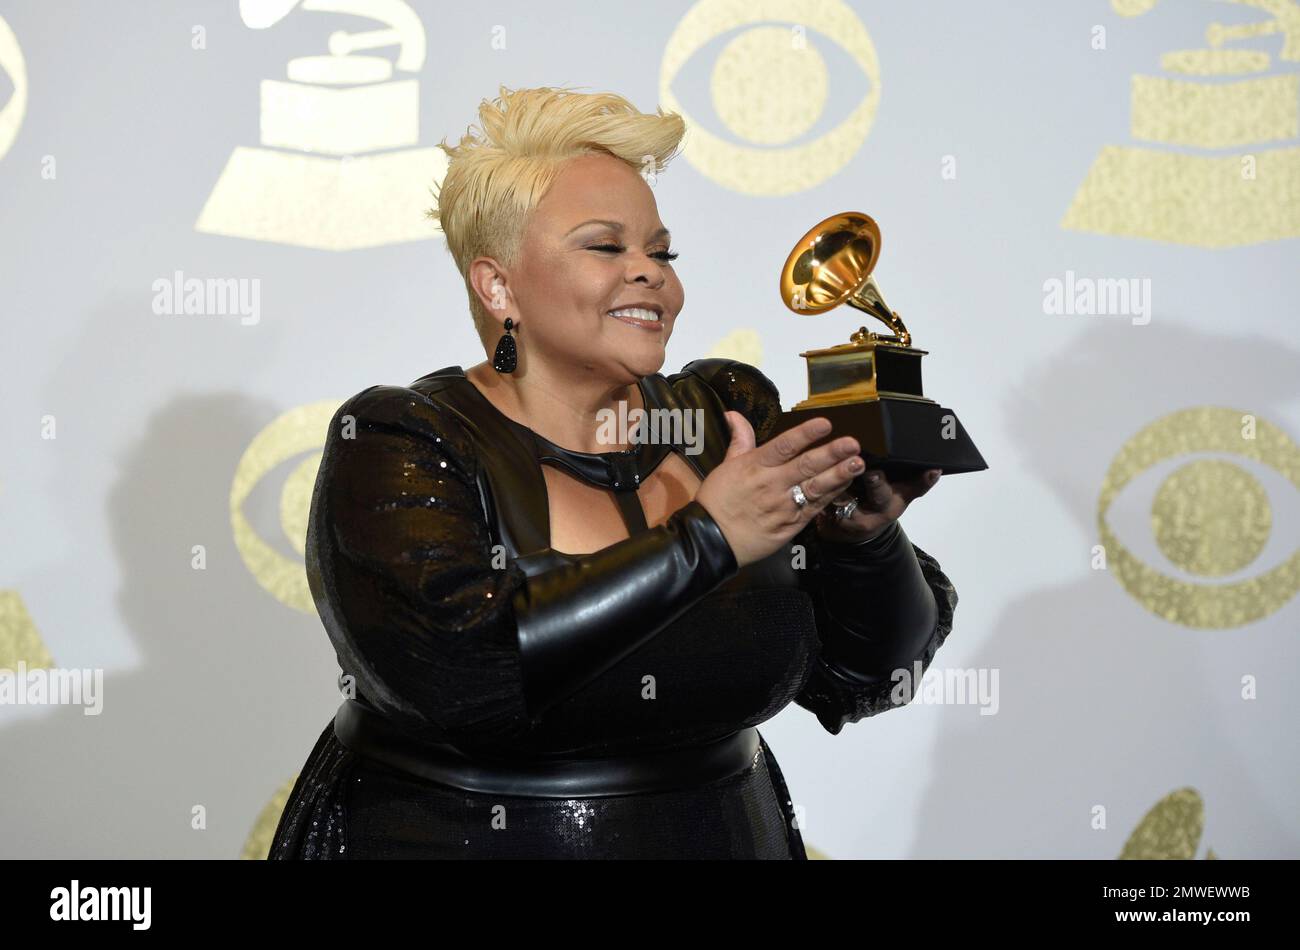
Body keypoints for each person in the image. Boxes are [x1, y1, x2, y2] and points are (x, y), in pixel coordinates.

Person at [268, 85, 958, 860]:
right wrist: (712, 538)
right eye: (606, 248)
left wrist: (864, 541)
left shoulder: (724, 414)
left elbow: (867, 675)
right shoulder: (405, 440)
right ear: (497, 286)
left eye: (661, 252)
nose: (650, 275)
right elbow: (464, 672)